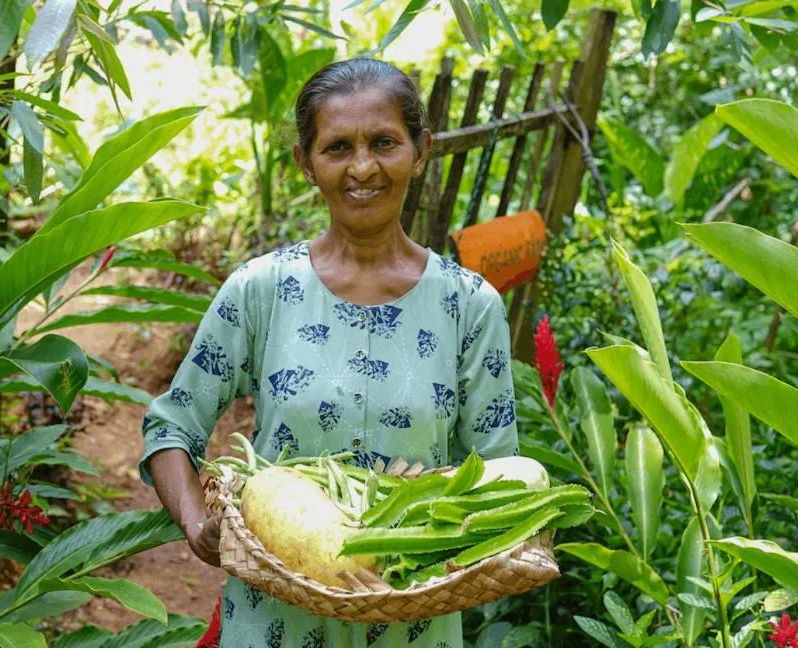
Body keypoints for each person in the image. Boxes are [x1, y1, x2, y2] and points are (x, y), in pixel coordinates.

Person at [139, 57, 520, 648]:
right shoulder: (260, 291)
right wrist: (196, 523)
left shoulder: (469, 306)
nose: (362, 167)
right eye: (338, 147)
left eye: (384, 143)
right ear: (306, 164)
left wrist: (450, 528)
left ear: (421, 151)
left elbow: (502, 476)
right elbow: (171, 426)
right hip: (276, 620)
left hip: (413, 624)